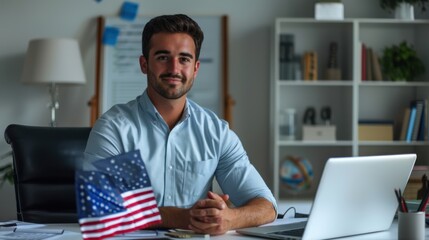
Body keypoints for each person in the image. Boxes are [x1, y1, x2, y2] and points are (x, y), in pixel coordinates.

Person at [84, 14, 277, 235]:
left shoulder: (216, 132)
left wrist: (229, 218)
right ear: (144, 64)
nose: (174, 68)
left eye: (184, 59)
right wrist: (185, 218)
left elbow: (267, 206)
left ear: (195, 68)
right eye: (163, 57)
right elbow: (97, 207)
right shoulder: (114, 127)